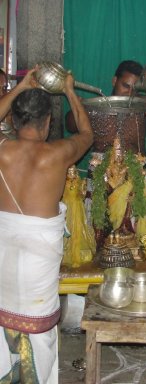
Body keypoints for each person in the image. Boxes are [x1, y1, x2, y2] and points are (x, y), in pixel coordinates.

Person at [0, 69, 93, 383]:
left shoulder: (3, 151)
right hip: (39, 257)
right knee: (38, 329)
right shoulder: (58, 154)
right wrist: (68, 90)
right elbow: (87, 135)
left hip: (5, 251)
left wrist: (20, 87)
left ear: (13, 120)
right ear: (48, 122)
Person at [66, 60, 146, 232]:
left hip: (135, 172)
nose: (130, 92)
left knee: (136, 228)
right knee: (97, 227)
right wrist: (80, 108)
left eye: (135, 89)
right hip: (102, 172)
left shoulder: (138, 104)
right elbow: (69, 125)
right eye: (126, 86)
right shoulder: (97, 105)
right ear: (114, 81)